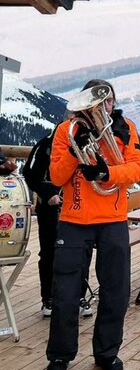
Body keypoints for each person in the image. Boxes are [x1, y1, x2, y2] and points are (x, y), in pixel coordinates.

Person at [45, 79, 140, 370]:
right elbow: (56, 175)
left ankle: (106, 352)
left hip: (113, 219)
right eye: (97, 102)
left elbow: (137, 168)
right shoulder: (67, 131)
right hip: (74, 221)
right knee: (65, 292)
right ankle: (60, 355)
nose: (103, 107)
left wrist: (106, 172)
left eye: (108, 101)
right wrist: (77, 153)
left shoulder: (125, 127)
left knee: (116, 290)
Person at [22, 128, 94, 318]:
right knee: (49, 253)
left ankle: (79, 296)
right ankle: (49, 298)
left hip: (78, 206)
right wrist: (48, 195)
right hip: (51, 207)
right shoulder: (46, 144)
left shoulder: (88, 143)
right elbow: (30, 174)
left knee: (82, 252)